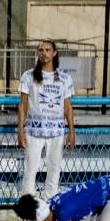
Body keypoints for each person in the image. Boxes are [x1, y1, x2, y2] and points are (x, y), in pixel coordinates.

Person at [18, 40, 75, 198]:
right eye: (40, 50)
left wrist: (71, 131)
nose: (44, 53)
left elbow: (68, 107)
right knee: (30, 170)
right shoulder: (28, 76)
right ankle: (28, 208)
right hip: (34, 131)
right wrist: (20, 131)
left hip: (56, 131)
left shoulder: (64, 78)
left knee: (54, 169)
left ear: (54, 53)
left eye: (48, 50)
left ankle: (50, 204)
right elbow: (22, 105)